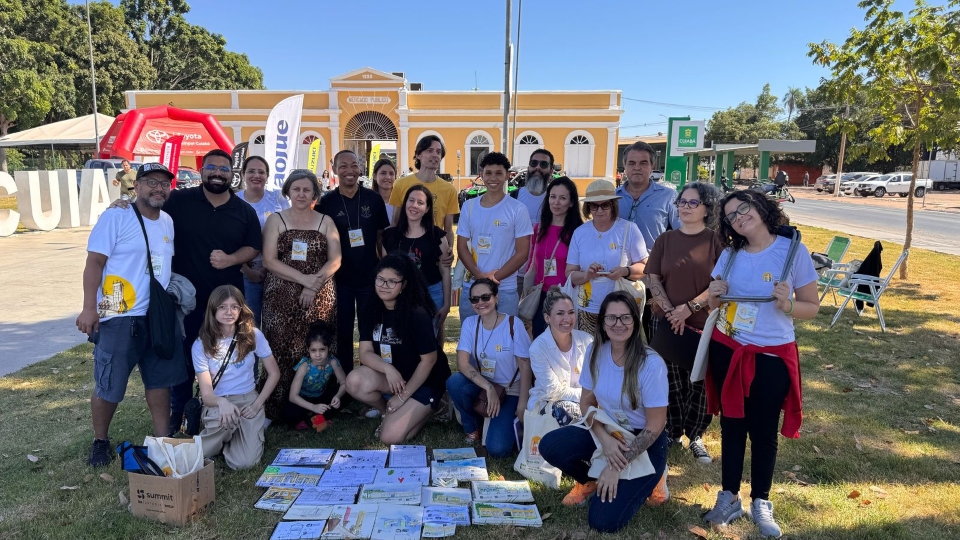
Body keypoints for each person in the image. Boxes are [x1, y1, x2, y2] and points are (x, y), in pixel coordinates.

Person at [106, 150, 263, 435]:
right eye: (211, 167)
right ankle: (179, 411)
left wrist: (230, 259)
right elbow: (148, 205)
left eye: (224, 169)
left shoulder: (244, 211)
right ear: (202, 171)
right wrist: (125, 203)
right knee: (181, 360)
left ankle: (232, 407)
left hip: (227, 303)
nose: (218, 173)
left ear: (232, 174)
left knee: (228, 355)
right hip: (182, 302)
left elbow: (253, 246)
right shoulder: (179, 200)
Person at [703, 189, 820, 538]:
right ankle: (728, 496)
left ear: (760, 206)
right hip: (729, 349)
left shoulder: (792, 251)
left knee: (764, 430)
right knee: (733, 426)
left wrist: (787, 305)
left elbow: (811, 307)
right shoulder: (730, 254)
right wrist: (713, 296)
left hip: (771, 355)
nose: (740, 217)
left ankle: (761, 500)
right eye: (731, 216)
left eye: (744, 208)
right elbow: (712, 305)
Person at [77, 163, 187, 467]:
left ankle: (163, 440)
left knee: (159, 380)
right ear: (135, 186)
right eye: (151, 182)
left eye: (164, 184)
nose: (158, 188)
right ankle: (100, 441)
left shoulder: (167, 221)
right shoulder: (116, 216)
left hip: (157, 314)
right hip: (118, 314)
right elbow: (94, 263)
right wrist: (89, 308)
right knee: (109, 382)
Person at [538, 291, 669, 533]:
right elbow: (586, 403)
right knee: (550, 445)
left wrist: (615, 466)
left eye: (625, 318)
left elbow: (655, 425)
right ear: (602, 323)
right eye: (611, 318)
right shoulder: (596, 352)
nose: (618, 324)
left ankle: (654, 479)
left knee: (602, 521)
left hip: (644, 441)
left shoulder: (651, 364)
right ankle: (590, 480)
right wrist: (604, 439)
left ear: (635, 320)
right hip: (608, 428)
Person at [645, 182, 723, 463]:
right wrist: (670, 311)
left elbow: (719, 283)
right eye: (682, 202)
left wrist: (689, 308)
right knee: (668, 380)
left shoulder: (717, 241)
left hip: (703, 323)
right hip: (665, 322)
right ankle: (672, 430)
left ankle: (696, 435)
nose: (685, 207)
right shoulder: (665, 240)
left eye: (693, 203)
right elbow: (652, 277)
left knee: (699, 382)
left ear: (707, 209)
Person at [347, 254, 452, 444]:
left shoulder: (417, 313)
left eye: (392, 281)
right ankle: (386, 410)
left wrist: (403, 396)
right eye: (380, 279)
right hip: (395, 378)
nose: (384, 285)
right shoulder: (369, 309)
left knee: (389, 437)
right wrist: (388, 369)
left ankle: (437, 404)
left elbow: (429, 361)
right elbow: (365, 353)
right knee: (354, 381)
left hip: (424, 381)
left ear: (403, 285)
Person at [261, 169, 341, 421]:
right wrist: (304, 280)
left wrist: (313, 285)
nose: (301, 194)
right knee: (281, 349)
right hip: (280, 299)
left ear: (315, 193)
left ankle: (321, 407)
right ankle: (279, 409)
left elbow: (336, 259)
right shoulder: (276, 220)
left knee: (317, 350)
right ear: (287, 191)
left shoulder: (325, 221)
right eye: (296, 189)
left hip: (320, 297)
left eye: (307, 189)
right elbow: (269, 261)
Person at [193, 285, 280, 471]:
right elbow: (207, 396)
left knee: (244, 463)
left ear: (241, 309)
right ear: (213, 309)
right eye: (222, 307)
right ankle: (219, 439)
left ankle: (235, 436)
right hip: (219, 402)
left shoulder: (253, 335)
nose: (229, 312)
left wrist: (257, 404)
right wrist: (222, 403)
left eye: (234, 307)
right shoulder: (201, 344)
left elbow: (274, 373)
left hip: (247, 398)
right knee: (197, 453)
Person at [318, 150, 390, 374]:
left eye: (354, 165)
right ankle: (345, 380)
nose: (349, 170)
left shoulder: (374, 199)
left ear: (360, 168)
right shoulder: (326, 202)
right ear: (334, 169)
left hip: (370, 278)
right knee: (343, 331)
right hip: (340, 280)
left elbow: (381, 237)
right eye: (343, 166)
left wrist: (385, 269)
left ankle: (372, 376)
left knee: (371, 329)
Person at [447, 278, 533, 457]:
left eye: (485, 297)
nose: (480, 303)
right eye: (474, 299)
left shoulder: (513, 324)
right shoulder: (470, 324)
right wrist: (488, 387)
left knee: (497, 449)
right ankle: (472, 426)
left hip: (510, 390)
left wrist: (522, 403)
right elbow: (462, 363)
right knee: (455, 382)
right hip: (484, 385)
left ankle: (498, 417)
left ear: (496, 298)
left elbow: (525, 367)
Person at [566, 179, 648, 335]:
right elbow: (570, 273)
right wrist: (586, 275)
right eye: (594, 205)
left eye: (605, 205)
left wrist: (624, 271)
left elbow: (644, 267)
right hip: (588, 309)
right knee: (590, 356)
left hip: (621, 312)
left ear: (613, 205)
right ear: (588, 207)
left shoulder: (629, 229)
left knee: (620, 356)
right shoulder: (580, 233)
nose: (599, 210)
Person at [456, 152, 533, 318]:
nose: (493, 178)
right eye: (488, 173)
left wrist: (494, 277)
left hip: (504, 290)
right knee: (472, 341)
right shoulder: (469, 207)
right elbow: (461, 247)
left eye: (499, 173)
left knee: (504, 340)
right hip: (473, 287)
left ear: (507, 175)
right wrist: (480, 277)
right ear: (481, 175)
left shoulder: (517, 209)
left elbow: (522, 253)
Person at [382, 184, 451, 334]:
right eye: (411, 200)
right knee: (402, 342)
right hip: (398, 295)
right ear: (405, 203)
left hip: (432, 294)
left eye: (420, 202)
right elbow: (384, 272)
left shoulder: (437, 236)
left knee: (427, 341)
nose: (414, 205)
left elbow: (445, 272)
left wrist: (447, 304)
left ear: (427, 208)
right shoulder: (390, 237)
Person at [237, 156, 291, 326]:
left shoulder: (278, 199)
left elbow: (289, 233)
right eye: (251, 171)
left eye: (261, 172)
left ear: (267, 176)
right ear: (243, 174)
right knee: (249, 325)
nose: (256, 175)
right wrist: (246, 270)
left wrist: (272, 265)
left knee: (277, 324)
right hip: (246, 274)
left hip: (276, 272)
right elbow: (228, 241)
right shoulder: (234, 201)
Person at [526, 287, 592, 425]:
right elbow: (554, 391)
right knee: (565, 410)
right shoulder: (537, 348)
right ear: (547, 318)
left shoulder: (588, 340)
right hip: (549, 402)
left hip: (586, 401)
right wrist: (591, 396)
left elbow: (597, 378)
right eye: (560, 313)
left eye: (571, 312)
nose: (567, 318)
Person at [525, 177, 582, 337]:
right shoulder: (539, 228)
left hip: (567, 295)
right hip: (541, 295)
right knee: (541, 341)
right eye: (553, 196)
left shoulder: (579, 232)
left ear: (571, 203)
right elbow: (532, 261)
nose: (556, 202)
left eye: (562, 198)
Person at [389, 135, 459, 246]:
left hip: (435, 249)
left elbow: (448, 230)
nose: (435, 155)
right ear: (418, 155)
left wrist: (449, 250)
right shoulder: (400, 184)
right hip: (405, 248)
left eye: (438, 152)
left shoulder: (449, 190)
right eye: (429, 150)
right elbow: (395, 222)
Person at [616, 141, 680, 250]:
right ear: (625, 166)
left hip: (654, 264)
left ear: (652, 166)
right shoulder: (613, 198)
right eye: (631, 163)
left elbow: (682, 232)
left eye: (643, 163)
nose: (637, 167)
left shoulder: (669, 196)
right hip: (616, 264)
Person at [285, 322, 347, 431]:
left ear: (328, 348)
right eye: (313, 350)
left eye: (322, 349)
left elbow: (344, 383)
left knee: (342, 399)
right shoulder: (304, 366)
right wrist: (313, 407)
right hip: (302, 398)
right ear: (308, 349)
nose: (318, 355)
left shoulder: (333, 362)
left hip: (320, 396)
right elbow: (293, 396)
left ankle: (313, 419)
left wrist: (338, 396)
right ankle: (312, 418)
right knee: (291, 412)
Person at [517, 149, 554, 228]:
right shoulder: (513, 197)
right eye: (534, 163)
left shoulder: (555, 200)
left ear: (551, 171)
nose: (537, 167)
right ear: (528, 168)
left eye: (543, 164)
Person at [371, 158, 398, 223]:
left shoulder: (401, 202)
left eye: (391, 174)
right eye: (383, 173)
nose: (388, 177)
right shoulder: (367, 201)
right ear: (374, 176)